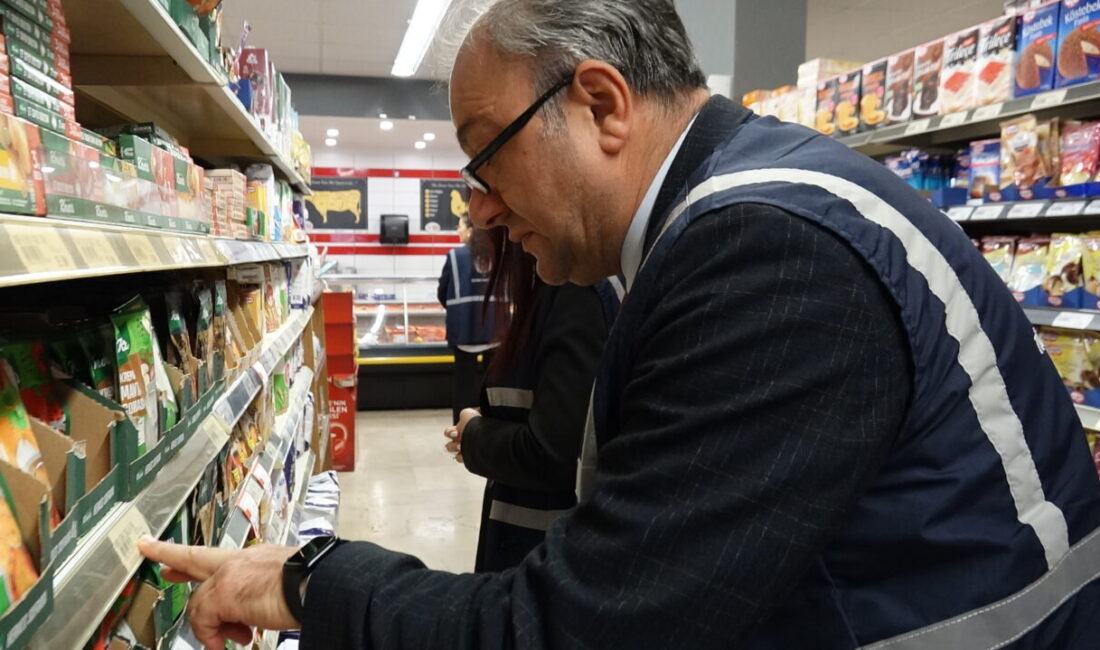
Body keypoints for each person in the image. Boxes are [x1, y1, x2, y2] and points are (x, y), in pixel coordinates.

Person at [140, 2, 1100, 648]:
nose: (482, 207)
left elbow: (583, 628)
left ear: (600, 104)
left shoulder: (765, 249)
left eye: (485, 158)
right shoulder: (743, 207)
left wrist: (308, 579)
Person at [444, 227, 619, 572]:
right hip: (534, 550)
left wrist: (475, 435)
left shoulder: (575, 293)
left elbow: (555, 454)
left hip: (541, 556)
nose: (481, 213)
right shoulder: (559, 289)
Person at [437, 215, 498, 423]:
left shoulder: (455, 256)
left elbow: (443, 292)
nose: (458, 230)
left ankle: (461, 430)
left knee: (463, 385)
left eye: (460, 226)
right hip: (494, 329)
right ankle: (492, 424)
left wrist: (458, 310)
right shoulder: (498, 254)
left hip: (464, 329)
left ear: (471, 229)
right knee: (492, 384)